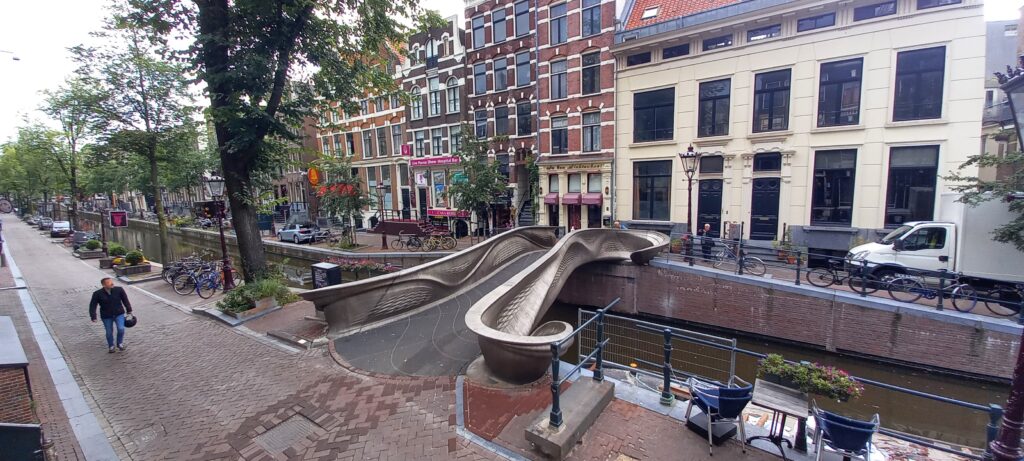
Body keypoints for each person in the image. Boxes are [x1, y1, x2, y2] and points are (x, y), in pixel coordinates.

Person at [89, 278, 133, 353]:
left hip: (119, 313)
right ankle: (111, 346)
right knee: (109, 331)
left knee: (121, 329)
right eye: (109, 282)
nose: (112, 283)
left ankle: (120, 343)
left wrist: (129, 309)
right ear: (104, 285)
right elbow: (93, 305)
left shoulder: (119, 290)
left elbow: (125, 300)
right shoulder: (97, 294)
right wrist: (93, 316)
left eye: (111, 281)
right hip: (106, 316)